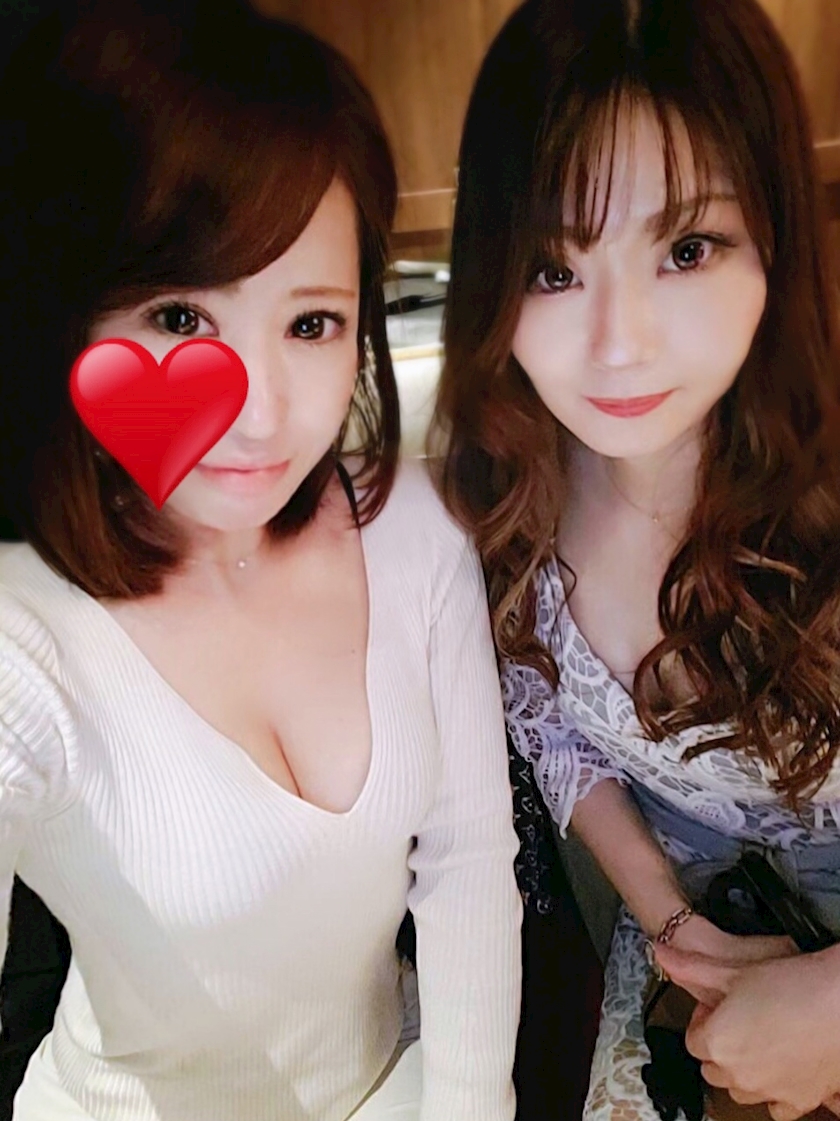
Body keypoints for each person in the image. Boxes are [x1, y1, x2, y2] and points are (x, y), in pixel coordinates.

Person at [0, 1, 523, 1118]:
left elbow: (470, 858)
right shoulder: (23, 631)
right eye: (181, 316)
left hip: (395, 1084)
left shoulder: (413, 527)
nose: (259, 412)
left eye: (312, 323)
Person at [433, 0, 840, 1118]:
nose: (618, 343)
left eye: (686, 250)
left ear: (775, 240)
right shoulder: (506, 493)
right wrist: (677, 924)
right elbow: (550, 725)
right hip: (697, 987)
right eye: (552, 269)